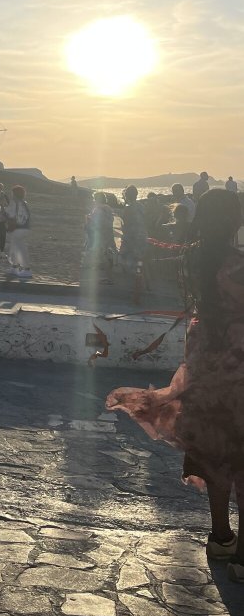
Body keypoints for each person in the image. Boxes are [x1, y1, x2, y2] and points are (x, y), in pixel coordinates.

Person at [107, 190, 244, 575]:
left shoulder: (191, 259)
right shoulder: (236, 266)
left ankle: (220, 539)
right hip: (237, 362)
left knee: (215, 451)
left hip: (203, 360)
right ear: (232, 219)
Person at [5, 184, 32, 277]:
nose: (11, 195)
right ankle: (15, 267)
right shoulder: (24, 203)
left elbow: (11, 215)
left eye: (12, 193)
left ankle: (26, 269)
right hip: (25, 228)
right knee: (16, 248)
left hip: (18, 229)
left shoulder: (15, 203)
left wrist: (2, 209)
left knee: (20, 249)